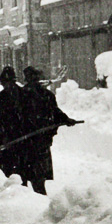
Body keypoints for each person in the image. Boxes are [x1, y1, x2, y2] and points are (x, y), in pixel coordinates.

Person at [20, 66, 77, 194]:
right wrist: (65, 119)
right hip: (40, 140)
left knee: (26, 173)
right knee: (38, 173)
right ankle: (37, 194)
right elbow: (55, 112)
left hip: (28, 141)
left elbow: (55, 112)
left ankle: (27, 196)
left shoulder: (24, 94)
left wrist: (65, 119)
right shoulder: (44, 94)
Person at [0, 66, 27, 182]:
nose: (6, 86)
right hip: (11, 146)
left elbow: (33, 118)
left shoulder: (24, 96)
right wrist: (3, 136)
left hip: (19, 147)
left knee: (16, 180)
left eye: (6, 83)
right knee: (14, 179)